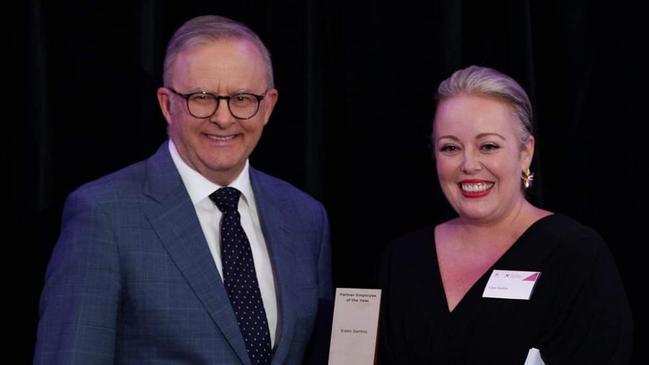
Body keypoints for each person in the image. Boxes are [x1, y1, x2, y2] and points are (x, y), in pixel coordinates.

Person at [34, 15, 332, 365]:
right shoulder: (104, 214)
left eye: (242, 98)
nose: (223, 118)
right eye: (202, 97)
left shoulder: (305, 218)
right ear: (167, 104)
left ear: (267, 106)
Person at [378, 65, 633, 364]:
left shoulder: (577, 257)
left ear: (525, 153)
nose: (469, 164)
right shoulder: (402, 259)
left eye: (488, 146)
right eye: (450, 148)